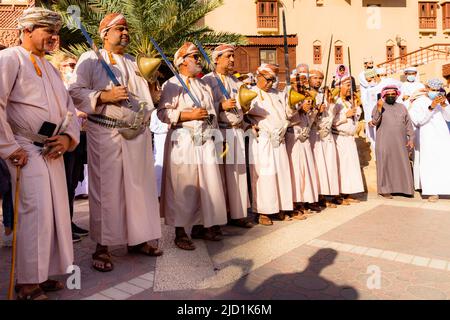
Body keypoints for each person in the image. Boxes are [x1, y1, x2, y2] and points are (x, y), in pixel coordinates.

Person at [69, 13, 163, 272]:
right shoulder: (90, 59)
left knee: (139, 190)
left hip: (138, 135)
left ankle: (138, 239)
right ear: (104, 34)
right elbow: (74, 92)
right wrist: (104, 96)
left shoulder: (135, 62)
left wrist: (153, 82)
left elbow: (151, 99)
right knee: (107, 192)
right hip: (106, 134)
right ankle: (103, 246)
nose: (125, 33)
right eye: (119, 29)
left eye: (126, 29)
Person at [0, 7, 80, 300]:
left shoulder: (50, 68)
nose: (53, 37)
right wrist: (10, 148)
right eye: (48, 31)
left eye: (56, 32)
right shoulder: (9, 58)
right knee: (34, 214)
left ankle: (42, 274)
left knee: (54, 214)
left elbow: (69, 110)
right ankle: (27, 284)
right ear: (27, 30)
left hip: (52, 151)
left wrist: (68, 139)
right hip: (25, 150)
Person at [158, 42, 227, 250]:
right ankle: (180, 232)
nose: (198, 60)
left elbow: (211, 110)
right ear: (182, 62)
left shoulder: (204, 85)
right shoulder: (172, 84)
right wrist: (188, 115)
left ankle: (201, 225)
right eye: (194, 57)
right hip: (183, 141)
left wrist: (211, 125)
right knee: (182, 185)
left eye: (198, 56)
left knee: (206, 185)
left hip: (204, 141)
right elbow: (163, 113)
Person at [202, 44, 253, 228]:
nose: (232, 60)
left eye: (233, 56)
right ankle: (219, 216)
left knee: (237, 174)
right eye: (228, 56)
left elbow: (245, 106)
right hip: (219, 131)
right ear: (216, 59)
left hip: (236, 131)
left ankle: (238, 214)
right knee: (219, 176)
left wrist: (246, 107)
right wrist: (220, 106)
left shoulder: (237, 82)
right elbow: (204, 105)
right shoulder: (207, 81)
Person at [246, 63, 293, 225]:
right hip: (263, 141)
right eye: (268, 79)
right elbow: (242, 113)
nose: (270, 83)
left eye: (273, 80)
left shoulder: (277, 94)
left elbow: (287, 113)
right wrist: (248, 124)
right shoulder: (251, 93)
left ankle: (279, 207)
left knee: (280, 174)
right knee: (265, 176)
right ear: (258, 76)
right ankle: (263, 212)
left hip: (279, 141)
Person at [51, 52, 89, 243]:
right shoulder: (57, 85)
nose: (73, 68)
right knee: (64, 184)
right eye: (69, 65)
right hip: (63, 140)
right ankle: (62, 227)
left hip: (79, 139)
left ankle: (69, 221)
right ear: (60, 66)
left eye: (74, 65)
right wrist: (77, 113)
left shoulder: (75, 87)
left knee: (73, 183)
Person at [285, 66, 320, 217]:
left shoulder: (307, 95)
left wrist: (312, 112)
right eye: (298, 82)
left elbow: (309, 119)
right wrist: (299, 109)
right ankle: (292, 202)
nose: (301, 85)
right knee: (295, 171)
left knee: (305, 171)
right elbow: (286, 116)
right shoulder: (287, 95)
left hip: (304, 136)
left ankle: (302, 201)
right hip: (293, 137)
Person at [409, 78, 450, 202]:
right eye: (433, 90)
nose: (435, 92)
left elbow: (448, 118)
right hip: (428, 137)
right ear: (427, 88)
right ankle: (432, 192)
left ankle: (446, 189)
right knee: (430, 164)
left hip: (443, 137)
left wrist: (444, 106)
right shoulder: (419, 102)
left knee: (445, 163)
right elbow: (419, 121)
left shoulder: (443, 100)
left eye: (438, 90)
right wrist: (431, 108)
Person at [371, 85, 415, 198]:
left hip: (401, 142)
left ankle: (404, 189)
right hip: (384, 142)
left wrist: (411, 138)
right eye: (388, 94)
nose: (391, 96)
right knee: (386, 165)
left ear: (397, 95)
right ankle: (385, 190)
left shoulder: (402, 107)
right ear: (384, 95)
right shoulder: (378, 106)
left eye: (393, 94)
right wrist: (379, 108)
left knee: (402, 164)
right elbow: (375, 121)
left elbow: (408, 124)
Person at [308, 67, 340, 208]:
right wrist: (316, 111)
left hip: (325, 135)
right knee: (315, 167)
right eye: (315, 78)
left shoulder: (323, 95)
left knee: (325, 166)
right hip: (313, 135)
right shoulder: (307, 94)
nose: (318, 81)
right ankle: (315, 197)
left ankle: (323, 195)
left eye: (320, 78)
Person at [331, 76, 365, 203]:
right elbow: (331, 121)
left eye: (351, 85)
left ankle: (348, 193)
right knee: (341, 167)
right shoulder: (335, 102)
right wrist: (346, 115)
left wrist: (356, 110)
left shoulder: (350, 102)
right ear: (339, 86)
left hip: (350, 138)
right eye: (347, 85)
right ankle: (338, 195)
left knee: (350, 168)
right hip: (339, 138)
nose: (350, 88)